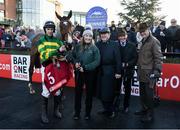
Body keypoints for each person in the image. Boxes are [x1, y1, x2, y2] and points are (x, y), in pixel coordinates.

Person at [37, 21, 67, 123]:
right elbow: (44, 55)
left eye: (51, 29)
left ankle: (56, 110)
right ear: (45, 29)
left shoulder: (58, 41)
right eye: (48, 29)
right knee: (46, 90)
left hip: (56, 68)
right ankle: (44, 113)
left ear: (54, 30)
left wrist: (65, 49)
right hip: (46, 67)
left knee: (57, 89)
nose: (50, 31)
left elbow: (63, 53)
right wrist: (58, 51)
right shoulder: (41, 41)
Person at [134, 22, 163, 123]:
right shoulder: (143, 40)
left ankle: (150, 114)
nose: (142, 33)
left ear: (148, 30)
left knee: (149, 96)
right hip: (142, 72)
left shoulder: (154, 41)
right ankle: (144, 109)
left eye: (144, 31)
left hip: (150, 74)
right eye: (141, 32)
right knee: (142, 94)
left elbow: (158, 58)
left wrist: (157, 71)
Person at [71, 29, 100, 120]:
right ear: (83, 36)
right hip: (79, 73)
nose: (88, 37)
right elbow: (72, 56)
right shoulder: (78, 46)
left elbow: (97, 61)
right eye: (86, 35)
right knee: (78, 93)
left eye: (90, 36)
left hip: (90, 74)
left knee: (89, 94)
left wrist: (86, 67)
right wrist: (75, 62)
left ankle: (87, 113)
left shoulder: (94, 48)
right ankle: (77, 112)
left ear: (92, 37)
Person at [96, 27, 121, 118]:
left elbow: (118, 59)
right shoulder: (97, 44)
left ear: (109, 34)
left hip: (110, 71)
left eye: (105, 33)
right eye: (102, 34)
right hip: (99, 71)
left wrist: (118, 71)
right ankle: (105, 108)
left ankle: (111, 110)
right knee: (100, 92)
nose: (103, 35)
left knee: (109, 93)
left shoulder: (115, 45)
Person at [115, 29, 138, 113]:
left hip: (128, 71)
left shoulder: (132, 45)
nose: (122, 38)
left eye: (123, 36)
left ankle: (126, 106)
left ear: (126, 36)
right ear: (118, 37)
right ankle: (116, 105)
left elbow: (135, 58)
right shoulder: (115, 45)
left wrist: (128, 64)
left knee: (127, 89)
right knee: (116, 88)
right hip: (118, 71)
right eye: (120, 36)